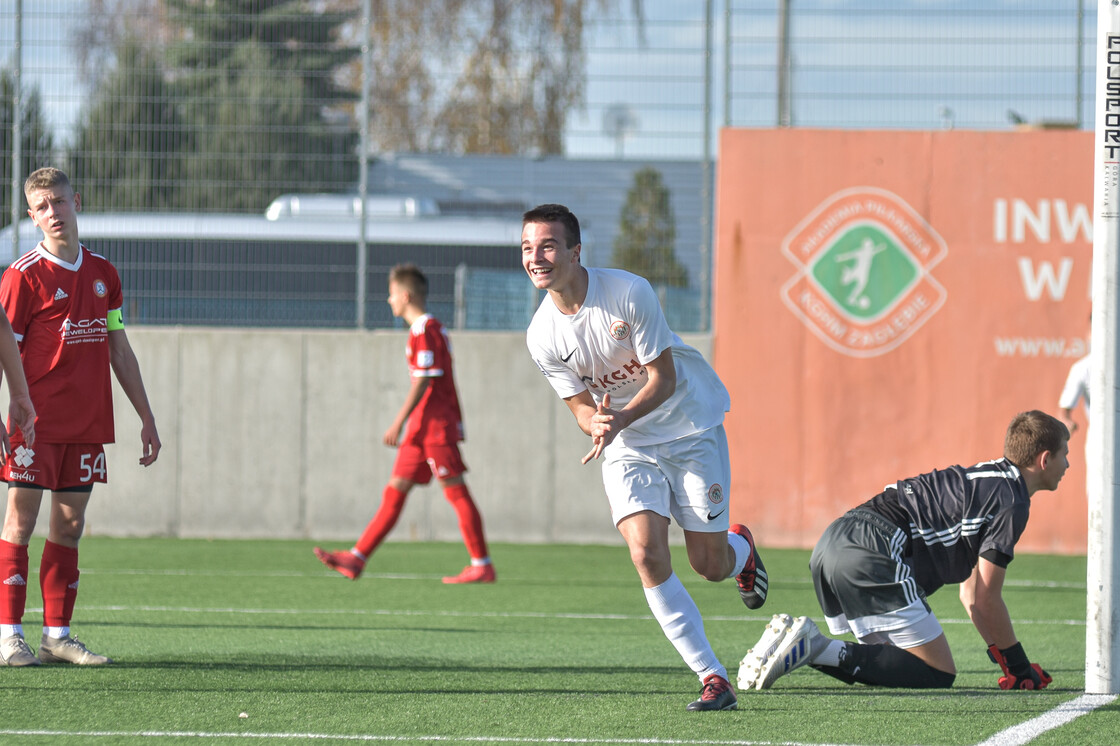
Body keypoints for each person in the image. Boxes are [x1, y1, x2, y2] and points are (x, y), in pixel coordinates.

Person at [521, 204, 767, 712]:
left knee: (708, 564)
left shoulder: (629, 292)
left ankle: (739, 551)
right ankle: (712, 676)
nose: (536, 257)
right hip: (630, 446)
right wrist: (599, 426)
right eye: (527, 248)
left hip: (689, 426)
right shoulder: (541, 335)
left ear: (574, 251)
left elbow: (664, 380)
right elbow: (581, 408)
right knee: (646, 554)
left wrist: (621, 420)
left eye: (547, 245)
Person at [738, 410, 1068, 692]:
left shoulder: (991, 480)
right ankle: (813, 646)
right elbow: (986, 598)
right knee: (937, 672)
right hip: (874, 548)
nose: (1067, 464)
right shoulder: (1013, 499)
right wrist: (1021, 667)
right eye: (1064, 454)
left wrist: (1008, 662)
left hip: (835, 540)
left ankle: (783, 645)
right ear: (1044, 459)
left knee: (896, 662)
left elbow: (972, 595)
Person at [0, 167, 161, 667]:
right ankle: (8, 636)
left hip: (87, 421)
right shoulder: (23, 275)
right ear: (32, 216)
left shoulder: (104, 274)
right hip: (34, 424)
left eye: (60, 202)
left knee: (69, 525)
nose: (54, 213)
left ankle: (57, 636)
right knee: (20, 522)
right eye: (42, 207)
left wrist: (146, 417)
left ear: (77, 202)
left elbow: (120, 349)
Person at [314, 264, 494, 584]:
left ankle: (481, 563)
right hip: (421, 431)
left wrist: (397, 422)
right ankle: (357, 557)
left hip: (435, 428)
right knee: (394, 491)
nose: (388, 300)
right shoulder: (424, 330)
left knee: (456, 491)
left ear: (406, 295)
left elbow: (425, 379)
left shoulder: (426, 329)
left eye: (392, 293)